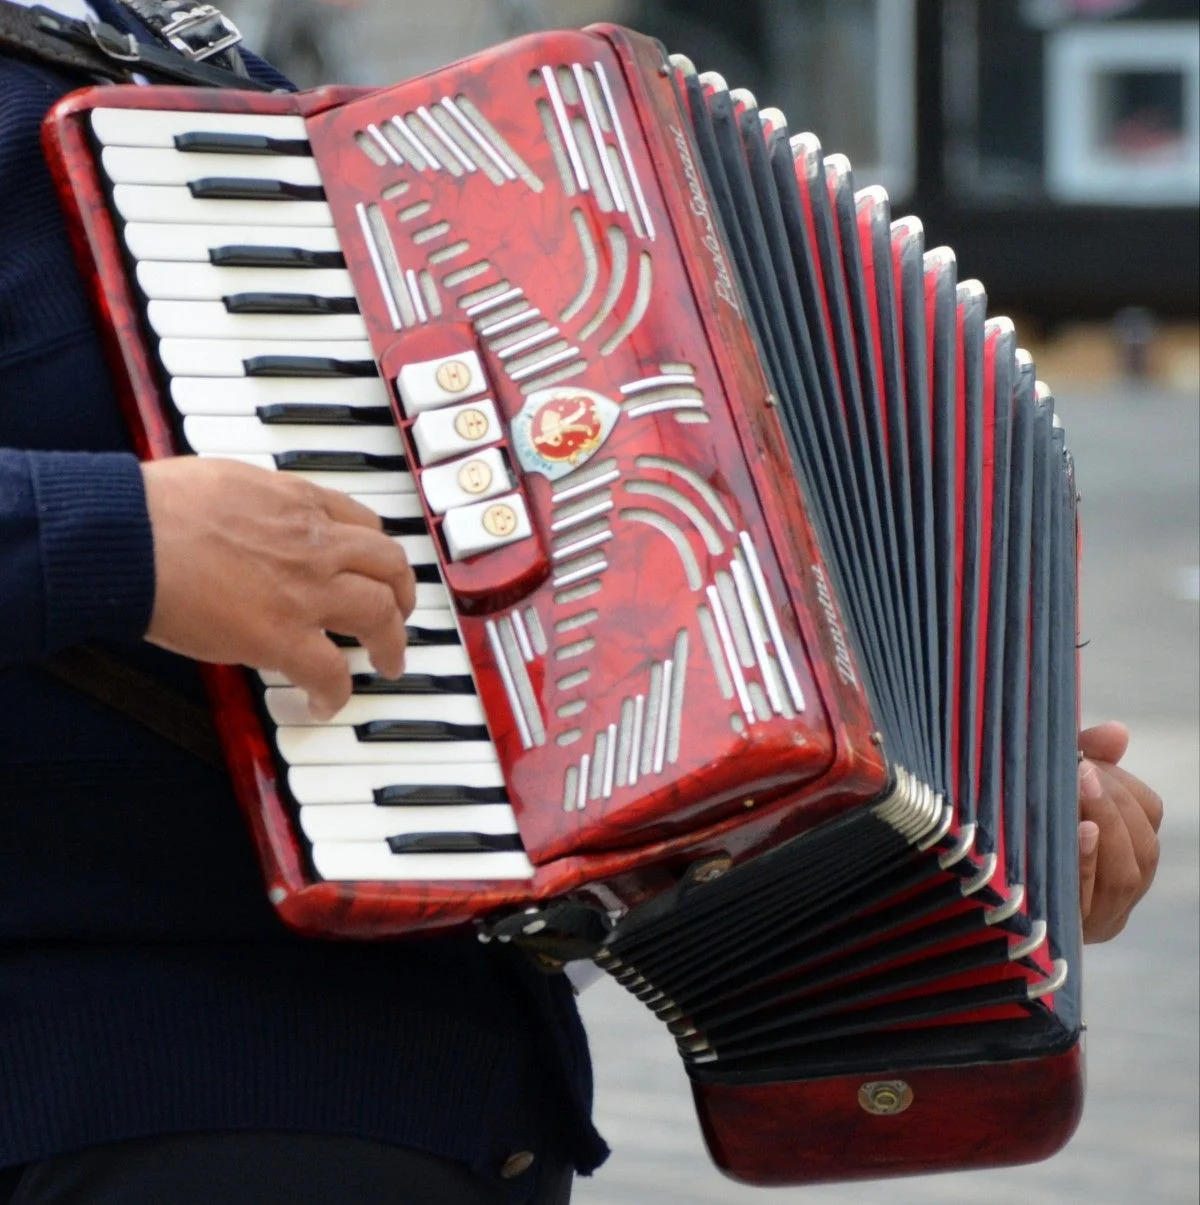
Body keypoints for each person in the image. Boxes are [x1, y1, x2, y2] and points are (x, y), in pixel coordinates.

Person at [0, 2, 1163, 1203]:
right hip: (130, 1091)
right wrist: (120, 538)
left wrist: (972, 802)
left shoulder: (181, 68)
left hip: (453, 1109)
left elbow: (552, 661)